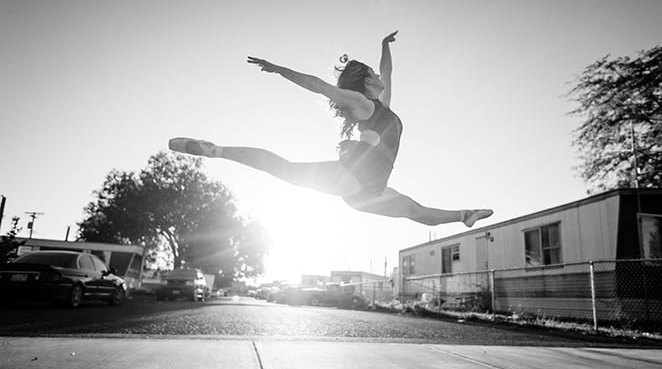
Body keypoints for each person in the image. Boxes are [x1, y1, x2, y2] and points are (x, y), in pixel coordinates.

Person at [169, 31, 493, 227]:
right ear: (367, 81)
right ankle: (216, 150)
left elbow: (387, 71)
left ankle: (464, 215)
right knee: (286, 169)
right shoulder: (363, 104)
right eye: (374, 75)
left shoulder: (385, 106)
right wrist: (279, 69)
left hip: (369, 191)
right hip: (357, 179)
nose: (381, 78)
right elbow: (319, 86)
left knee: (414, 210)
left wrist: (384, 44)